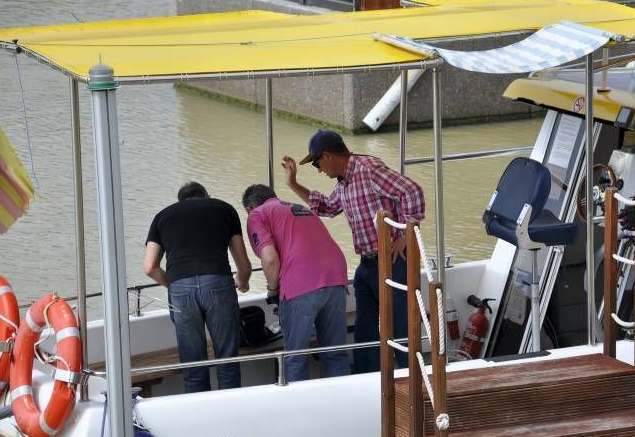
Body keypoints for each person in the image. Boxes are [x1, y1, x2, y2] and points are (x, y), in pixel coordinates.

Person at [282, 129, 425, 373]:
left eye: (317, 163)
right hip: (367, 265)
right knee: (365, 331)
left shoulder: (368, 169)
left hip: (393, 261)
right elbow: (327, 207)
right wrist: (293, 183)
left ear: (327, 156)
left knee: (401, 328)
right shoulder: (344, 182)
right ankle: (368, 380)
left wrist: (404, 234)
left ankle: (409, 381)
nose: (319, 170)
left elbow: (411, 191)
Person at [144, 181, 252, 393]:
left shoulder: (162, 217)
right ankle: (232, 415)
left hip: (180, 289)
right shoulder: (224, 209)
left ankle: (198, 419)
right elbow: (244, 265)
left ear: (180, 201)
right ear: (206, 196)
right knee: (227, 359)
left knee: (193, 365)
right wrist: (243, 280)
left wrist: (173, 286)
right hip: (218, 283)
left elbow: (150, 267)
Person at [242, 184, 349, 382]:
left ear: (249, 208)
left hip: (301, 282)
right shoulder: (300, 208)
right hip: (336, 277)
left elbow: (270, 259)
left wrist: (273, 289)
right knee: (335, 353)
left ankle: (300, 411)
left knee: (296, 357)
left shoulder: (256, 214)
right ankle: (341, 405)